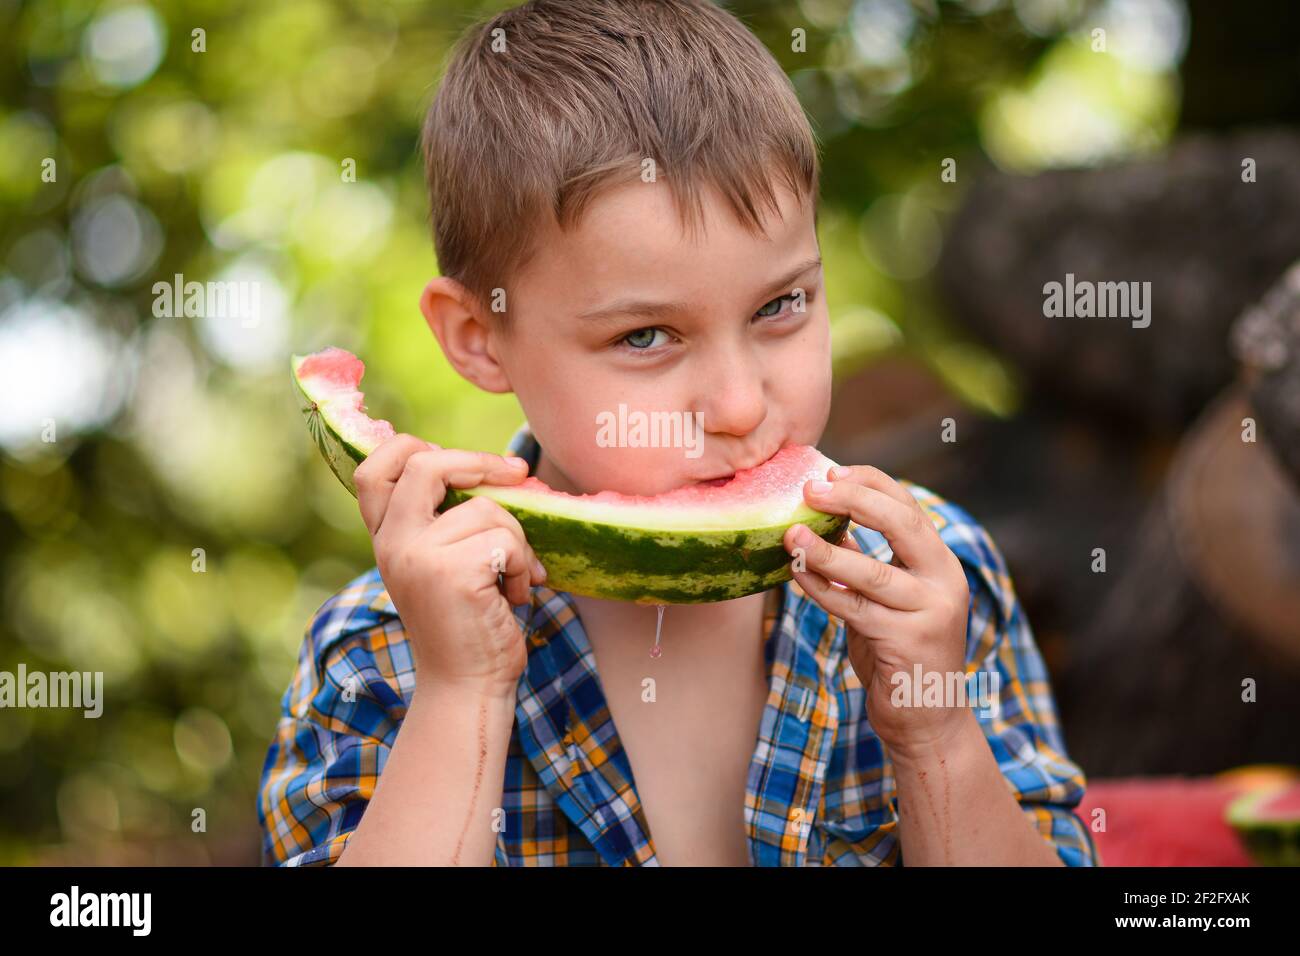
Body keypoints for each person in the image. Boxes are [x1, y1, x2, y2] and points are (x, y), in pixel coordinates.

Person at [258, 0, 1098, 867]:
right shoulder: (381, 649)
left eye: (780, 305)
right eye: (645, 337)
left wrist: (936, 735)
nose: (738, 405)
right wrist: (460, 693)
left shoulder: (932, 581)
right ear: (479, 336)